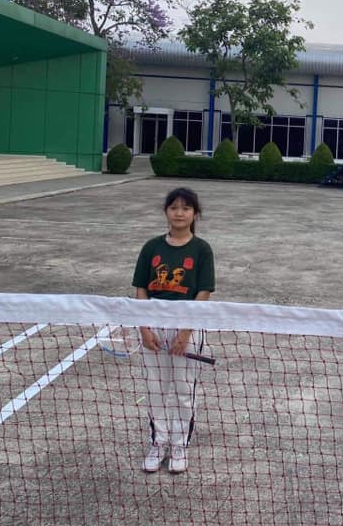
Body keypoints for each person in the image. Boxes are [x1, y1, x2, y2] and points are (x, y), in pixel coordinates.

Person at [133, 187, 215, 473]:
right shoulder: (151, 247)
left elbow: (203, 292)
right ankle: (158, 443)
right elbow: (141, 289)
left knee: (183, 390)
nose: (179, 213)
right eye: (174, 207)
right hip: (154, 325)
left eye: (186, 208)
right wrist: (144, 328)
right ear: (166, 211)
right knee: (156, 389)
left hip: (187, 326)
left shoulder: (202, 249)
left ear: (195, 213)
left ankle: (179, 446)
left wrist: (185, 332)